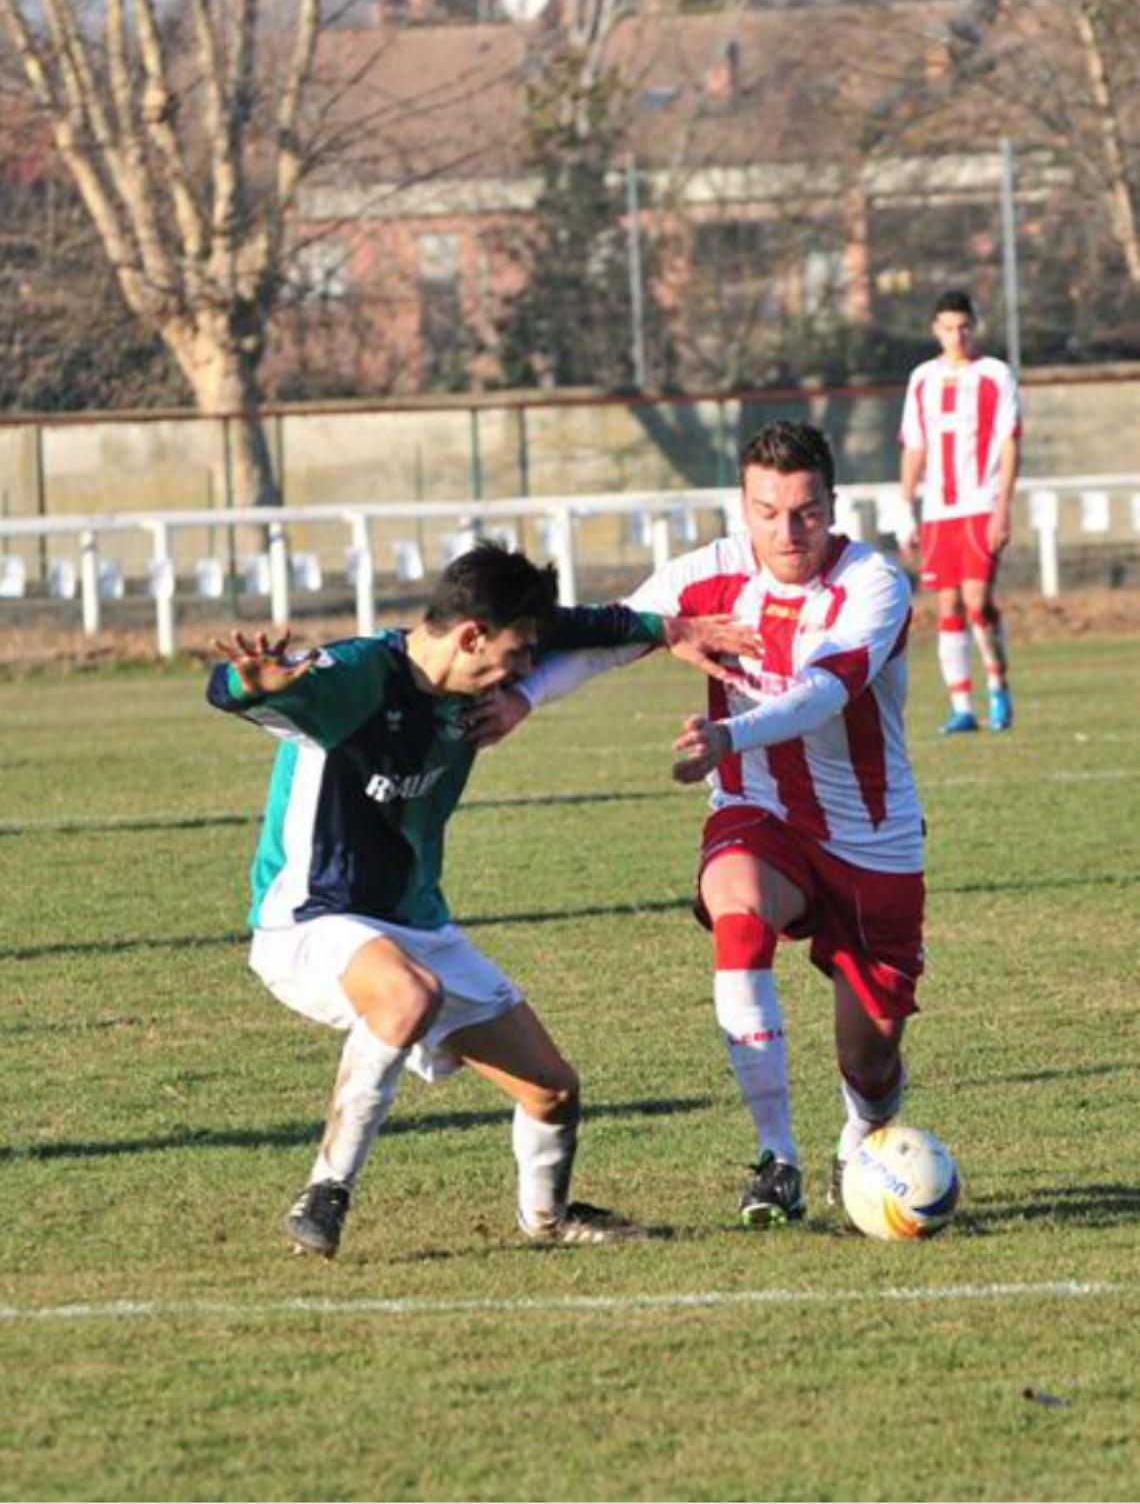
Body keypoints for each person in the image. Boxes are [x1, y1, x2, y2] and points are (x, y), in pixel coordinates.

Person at [207, 540, 758, 1259]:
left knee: (553, 1090)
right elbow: (239, 688)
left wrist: (670, 630)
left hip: (415, 924)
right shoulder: (358, 677)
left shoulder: (481, 664)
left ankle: (549, 1219)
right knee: (408, 997)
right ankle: (325, 1191)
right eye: (519, 654)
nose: (527, 671)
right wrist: (247, 682)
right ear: (471, 636)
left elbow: (584, 625)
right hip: (312, 920)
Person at [467, 422, 925, 1227]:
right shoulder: (709, 571)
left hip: (872, 837)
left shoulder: (874, 584)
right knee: (737, 909)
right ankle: (776, 1156)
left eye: (807, 512)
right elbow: (613, 637)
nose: (788, 531)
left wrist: (727, 736)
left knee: (872, 1052)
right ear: (742, 508)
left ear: (833, 504)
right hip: (758, 810)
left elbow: (827, 691)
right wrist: (523, 697)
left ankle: (860, 1142)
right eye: (767, 511)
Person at [898, 289, 1021, 734]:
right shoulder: (922, 379)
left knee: (977, 601)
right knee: (947, 604)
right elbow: (914, 447)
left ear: (975, 326)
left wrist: (1003, 508)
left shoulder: (994, 375)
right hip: (938, 512)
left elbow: (1010, 443)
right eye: (948, 328)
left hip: (980, 504)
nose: (957, 336)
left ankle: (998, 687)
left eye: (964, 327)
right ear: (936, 330)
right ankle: (962, 706)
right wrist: (905, 510)